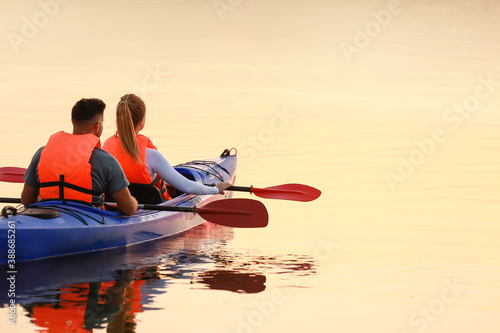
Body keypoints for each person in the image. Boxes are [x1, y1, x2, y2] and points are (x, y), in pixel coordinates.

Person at [21, 98, 138, 216]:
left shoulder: (41, 153)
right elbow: (128, 209)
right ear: (98, 126)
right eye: (102, 122)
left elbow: (26, 199)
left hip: (48, 216)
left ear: (72, 121)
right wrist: (135, 203)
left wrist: (44, 204)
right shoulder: (106, 161)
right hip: (88, 222)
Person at [102, 93, 232, 199]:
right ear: (142, 121)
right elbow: (187, 187)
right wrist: (215, 189)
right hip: (150, 208)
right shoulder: (151, 155)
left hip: (113, 207)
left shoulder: (105, 149)